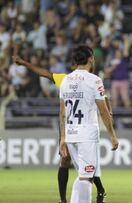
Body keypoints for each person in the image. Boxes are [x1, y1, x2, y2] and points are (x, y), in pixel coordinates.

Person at [12, 54, 111, 203]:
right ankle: (63, 199)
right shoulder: (67, 79)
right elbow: (44, 73)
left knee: (86, 165)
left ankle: (100, 190)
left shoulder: (93, 81)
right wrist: (25, 63)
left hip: (85, 127)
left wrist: (109, 111)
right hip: (68, 127)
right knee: (65, 160)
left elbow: (104, 99)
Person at [59, 45, 119, 203]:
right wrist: (112, 135)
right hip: (87, 135)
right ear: (91, 59)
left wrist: (62, 138)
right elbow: (104, 111)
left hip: (71, 135)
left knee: (83, 176)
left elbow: (62, 113)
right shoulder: (94, 80)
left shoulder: (65, 80)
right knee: (86, 178)